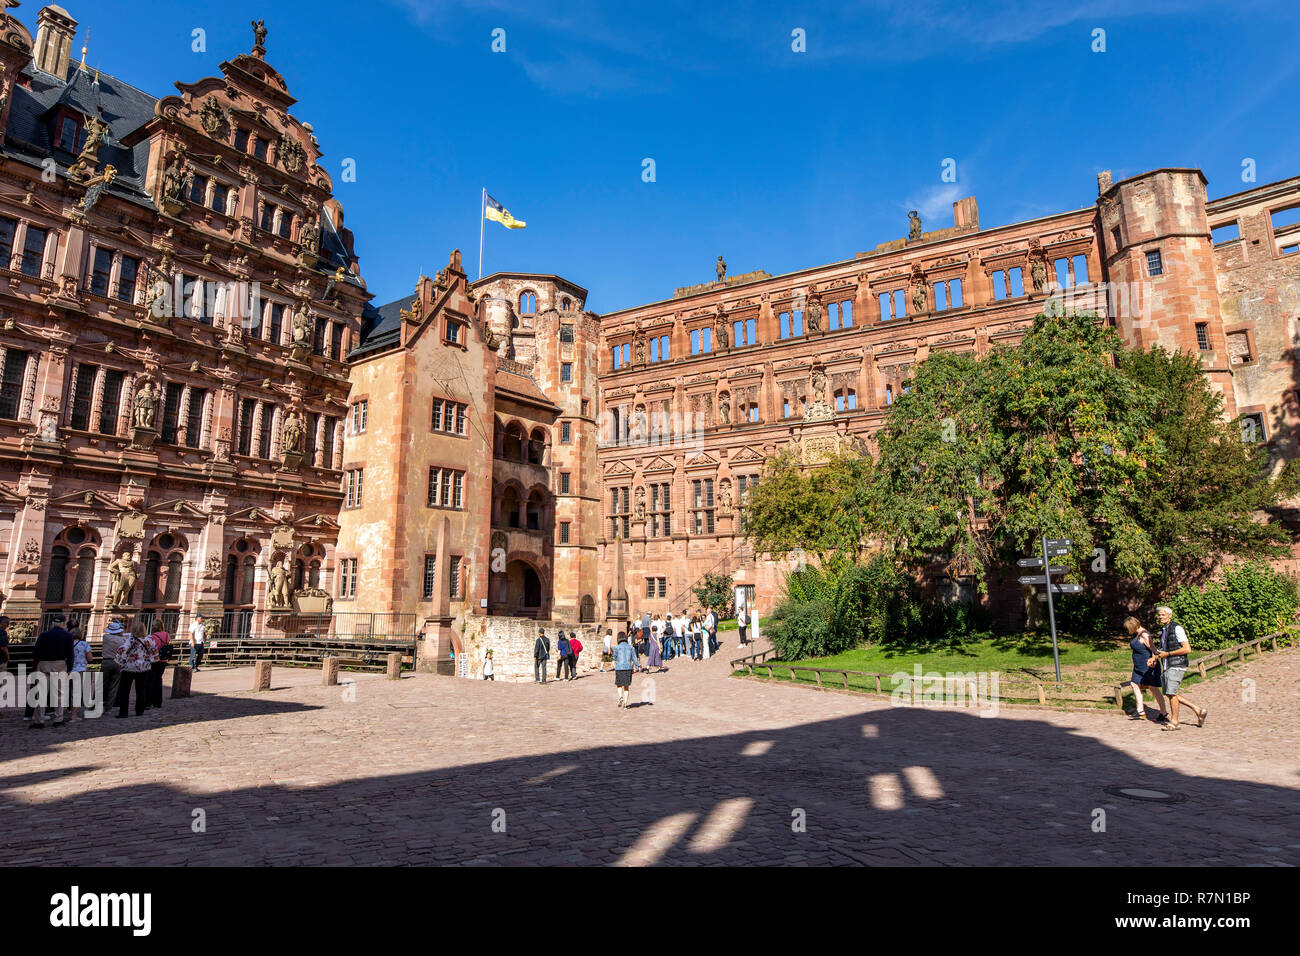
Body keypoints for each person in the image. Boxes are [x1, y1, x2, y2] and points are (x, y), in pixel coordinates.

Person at [1152, 606, 1208, 731]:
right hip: (1167, 664)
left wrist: (1168, 654)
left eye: (1163, 615)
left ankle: (1175, 722)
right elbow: (1165, 649)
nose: (1160, 617)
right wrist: (1155, 657)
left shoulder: (1177, 628)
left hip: (1177, 665)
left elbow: (1187, 649)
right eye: (1159, 615)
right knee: (1170, 693)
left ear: (1170, 615)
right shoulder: (1164, 630)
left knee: (1171, 694)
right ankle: (1198, 710)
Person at [29, 614, 75, 727]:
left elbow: (35, 652)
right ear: (64, 623)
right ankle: (58, 719)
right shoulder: (68, 635)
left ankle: (39, 720)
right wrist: (69, 668)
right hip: (59, 664)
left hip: (44, 663)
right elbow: (70, 654)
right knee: (59, 693)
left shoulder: (44, 634)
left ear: (53, 623)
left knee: (41, 693)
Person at [1123, 616, 1167, 722]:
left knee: (1153, 688)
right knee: (1134, 684)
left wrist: (1153, 659)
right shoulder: (1138, 634)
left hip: (1147, 666)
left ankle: (1163, 712)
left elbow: (1153, 649)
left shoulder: (1145, 635)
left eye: (1128, 628)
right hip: (1138, 666)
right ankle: (1141, 712)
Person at [115, 622, 156, 718]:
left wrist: (120, 661)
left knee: (125, 690)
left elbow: (122, 650)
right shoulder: (149, 640)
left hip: (129, 667)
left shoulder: (130, 640)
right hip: (143, 667)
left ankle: (123, 712)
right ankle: (140, 710)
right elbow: (154, 652)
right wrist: (149, 660)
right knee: (141, 689)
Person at [100, 616, 127, 713]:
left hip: (106, 661)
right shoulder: (123, 640)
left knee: (101, 684)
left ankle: (96, 705)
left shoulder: (106, 637)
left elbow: (105, 632)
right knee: (114, 685)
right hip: (117, 662)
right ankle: (108, 707)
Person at [68, 623, 93, 720]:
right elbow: (90, 658)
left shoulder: (67, 643)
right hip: (80, 670)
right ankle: (73, 714)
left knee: (66, 691)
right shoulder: (84, 644)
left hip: (68, 670)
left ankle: (63, 712)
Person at [147, 626, 173, 710]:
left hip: (154, 660)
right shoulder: (166, 634)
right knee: (158, 679)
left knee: (151, 680)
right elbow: (168, 642)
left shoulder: (151, 637)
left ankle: (149, 701)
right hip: (164, 659)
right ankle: (158, 702)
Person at [612, 632, 639, 709]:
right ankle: (625, 705)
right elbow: (634, 658)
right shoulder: (630, 647)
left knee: (619, 684)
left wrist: (613, 661)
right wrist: (638, 665)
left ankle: (620, 697)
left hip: (619, 667)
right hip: (628, 668)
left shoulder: (616, 647)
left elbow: (614, 657)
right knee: (626, 687)